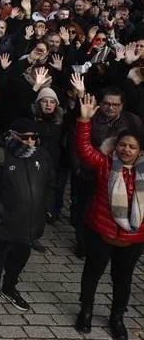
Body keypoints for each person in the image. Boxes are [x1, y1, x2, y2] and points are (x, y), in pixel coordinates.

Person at [74, 94, 144, 340]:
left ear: (140, 151)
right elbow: (84, 151)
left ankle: (117, 317)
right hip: (100, 232)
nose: (126, 150)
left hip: (132, 239)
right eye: (122, 145)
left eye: (132, 147)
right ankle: (86, 310)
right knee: (92, 273)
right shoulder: (104, 163)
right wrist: (84, 121)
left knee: (122, 280)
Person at [0, 118, 55, 312]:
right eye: (25, 137)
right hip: (5, 220)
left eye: (33, 138)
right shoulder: (0, 155)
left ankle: (10, 286)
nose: (30, 142)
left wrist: (44, 206)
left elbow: (50, 183)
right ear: (14, 136)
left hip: (31, 222)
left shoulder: (42, 156)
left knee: (21, 256)